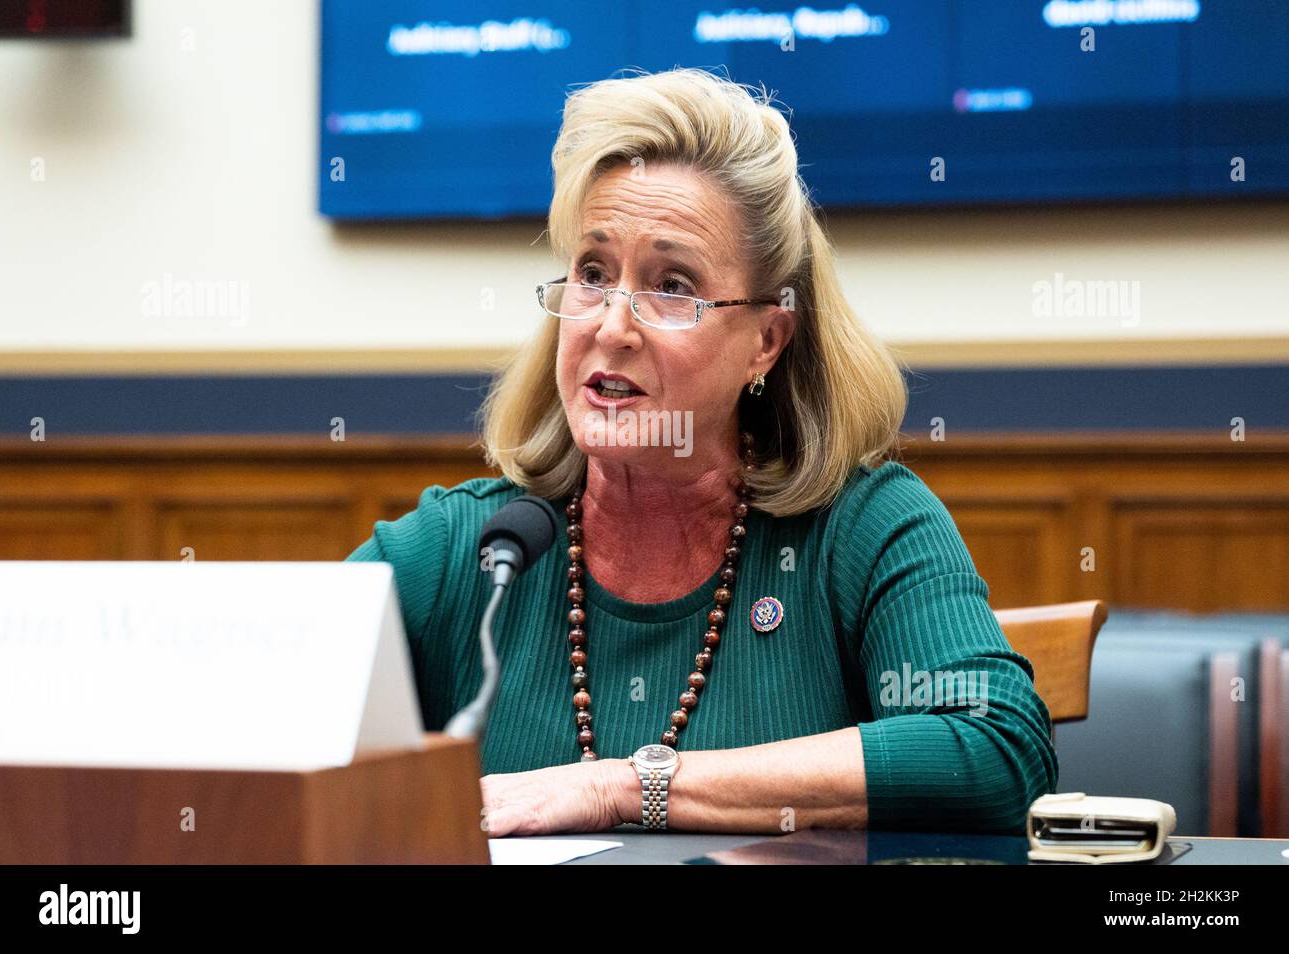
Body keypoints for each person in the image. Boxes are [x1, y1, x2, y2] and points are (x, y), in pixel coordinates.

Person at [347, 66, 1056, 838]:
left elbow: (994, 748)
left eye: (671, 286)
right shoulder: (470, 552)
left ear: (765, 341)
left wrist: (626, 787)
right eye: (592, 273)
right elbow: (253, 710)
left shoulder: (862, 530)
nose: (611, 326)